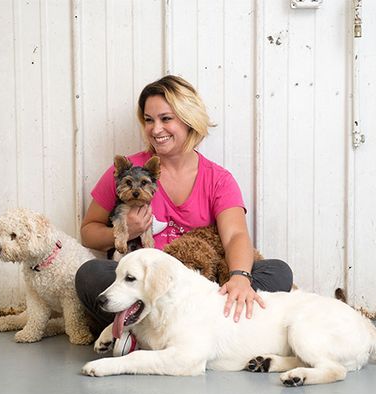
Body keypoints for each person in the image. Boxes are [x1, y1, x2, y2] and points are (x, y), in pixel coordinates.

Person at [76, 75, 293, 342]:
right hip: (144, 286)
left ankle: (146, 336)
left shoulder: (218, 179)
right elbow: (88, 231)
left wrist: (239, 277)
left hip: (198, 288)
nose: (156, 129)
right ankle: (158, 332)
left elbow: (236, 236)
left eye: (166, 119)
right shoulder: (127, 172)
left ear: (188, 119)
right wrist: (124, 232)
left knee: (277, 272)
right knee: (90, 275)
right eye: (148, 119)